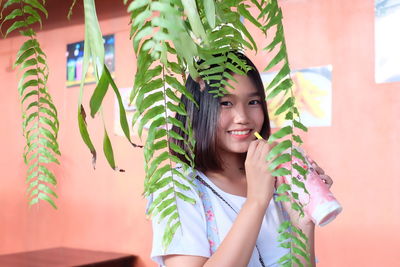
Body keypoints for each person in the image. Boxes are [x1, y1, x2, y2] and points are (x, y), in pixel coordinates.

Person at [149, 52, 333, 267]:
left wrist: (303, 221)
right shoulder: (176, 188)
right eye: (225, 103)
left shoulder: (276, 179)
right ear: (197, 110)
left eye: (253, 101)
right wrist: (256, 201)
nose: (243, 117)